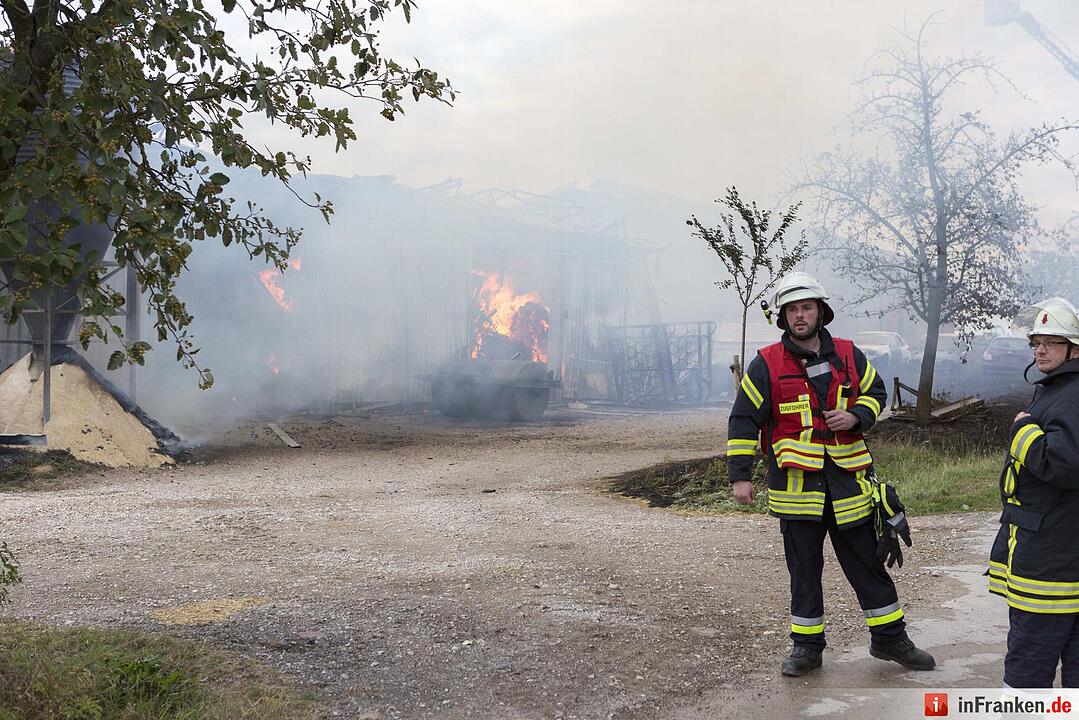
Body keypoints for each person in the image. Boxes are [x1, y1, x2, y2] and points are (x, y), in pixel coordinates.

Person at [726, 271, 935, 677]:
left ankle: (890, 639)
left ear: (821, 312)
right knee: (804, 573)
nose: (799, 316)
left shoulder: (849, 353)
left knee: (868, 565)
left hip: (848, 486)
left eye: (806, 308)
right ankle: (807, 649)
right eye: (791, 310)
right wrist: (741, 476)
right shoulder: (766, 363)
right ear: (783, 318)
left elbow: (875, 393)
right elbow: (742, 420)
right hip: (797, 491)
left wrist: (856, 416)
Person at [989, 297, 1079, 689]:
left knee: (1027, 667)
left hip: (1050, 565)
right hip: (1058, 553)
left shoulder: (1071, 394)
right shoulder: (1059, 386)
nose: (1040, 349)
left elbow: (1063, 464)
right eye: (1036, 342)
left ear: (1074, 348)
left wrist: (1022, 431)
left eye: (1051, 342)